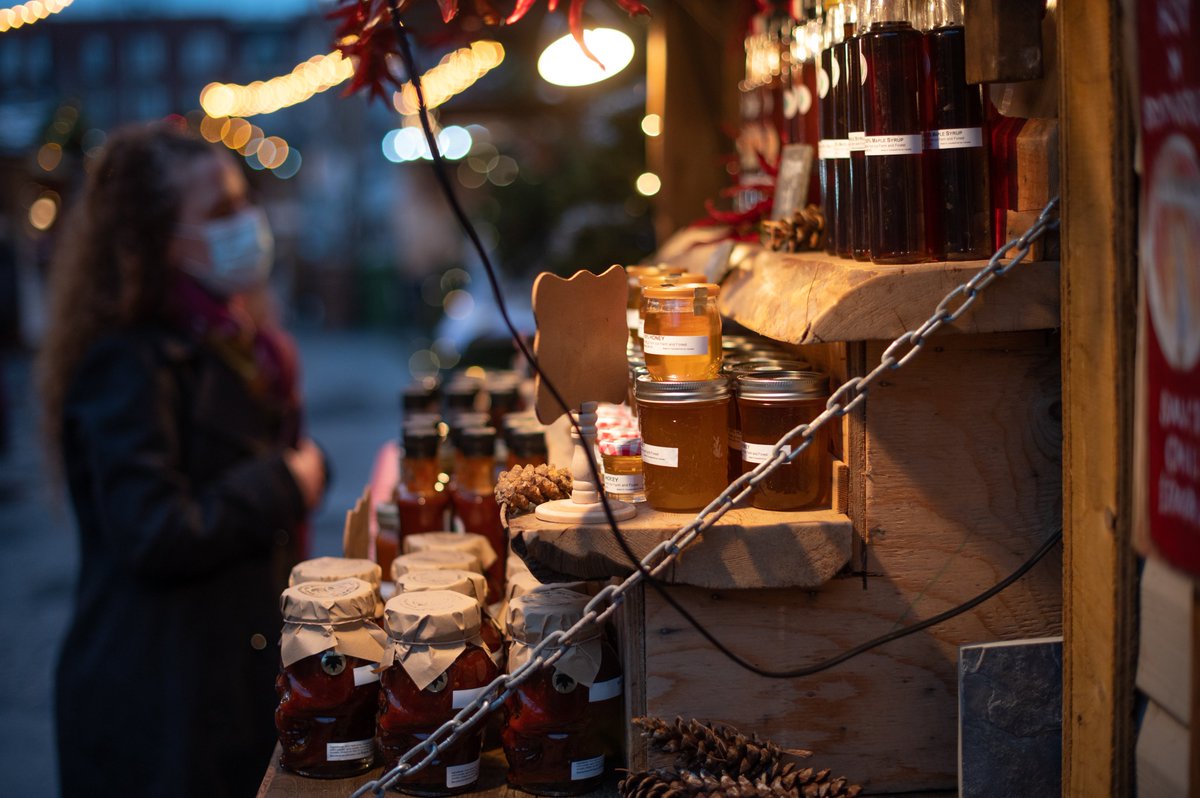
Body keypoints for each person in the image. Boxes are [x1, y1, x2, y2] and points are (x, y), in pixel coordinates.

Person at [37, 122, 328, 797]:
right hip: (160, 701)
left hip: (225, 677)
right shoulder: (128, 363)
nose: (248, 223)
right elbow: (154, 530)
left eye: (244, 202)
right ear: (159, 238)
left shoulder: (238, 337)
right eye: (221, 212)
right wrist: (284, 480)